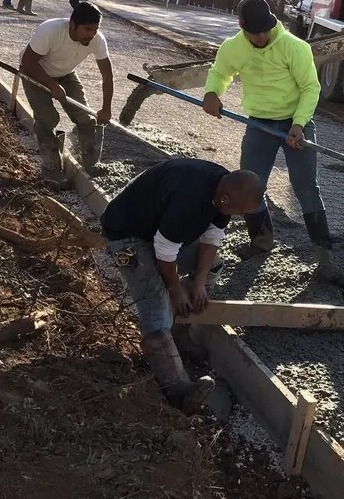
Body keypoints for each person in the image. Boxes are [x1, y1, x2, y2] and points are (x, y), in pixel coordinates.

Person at [101, 159, 264, 413]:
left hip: (161, 231)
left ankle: (175, 334)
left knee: (213, 268)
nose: (240, 217)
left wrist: (199, 284)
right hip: (128, 235)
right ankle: (178, 390)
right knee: (155, 310)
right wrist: (176, 290)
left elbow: (212, 238)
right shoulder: (190, 198)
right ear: (225, 200)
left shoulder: (224, 189)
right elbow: (165, 252)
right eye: (240, 211)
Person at [201, 0, 340, 279]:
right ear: (242, 26)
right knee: (250, 185)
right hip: (259, 123)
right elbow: (220, 73)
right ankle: (261, 241)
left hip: (294, 123)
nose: (262, 36)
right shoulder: (233, 48)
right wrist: (212, 93)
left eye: (265, 29)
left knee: (305, 187)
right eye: (255, 31)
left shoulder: (294, 47)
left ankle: (325, 258)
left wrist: (299, 124)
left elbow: (310, 88)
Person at [19, 1, 113, 186]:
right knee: (47, 119)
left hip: (66, 74)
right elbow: (29, 61)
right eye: (87, 29)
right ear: (72, 24)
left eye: (95, 29)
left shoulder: (97, 39)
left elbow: (107, 75)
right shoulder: (50, 31)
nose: (91, 34)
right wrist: (52, 85)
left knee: (85, 117)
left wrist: (106, 109)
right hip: (35, 71)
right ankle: (51, 167)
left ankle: (89, 162)